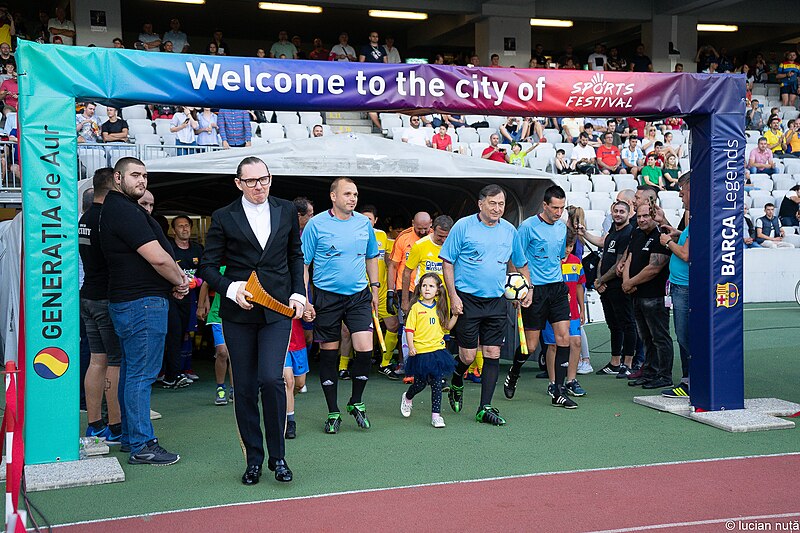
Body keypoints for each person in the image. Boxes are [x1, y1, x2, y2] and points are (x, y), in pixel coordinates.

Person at [198, 156, 304, 484]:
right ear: (238, 183)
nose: (259, 187)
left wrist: (299, 293)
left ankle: (279, 458)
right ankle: (253, 459)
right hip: (238, 313)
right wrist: (230, 288)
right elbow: (208, 267)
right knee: (244, 388)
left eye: (265, 179)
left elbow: (294, 256)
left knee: (272, 380)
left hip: (276, 311)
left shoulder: (286, 209)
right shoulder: (223, 216)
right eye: (252, 181)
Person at [100, 157, 188, 465]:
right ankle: (142, 444)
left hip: (132, 302)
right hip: (142, 303)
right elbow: (159, 259)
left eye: (145, 176)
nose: (142, 180)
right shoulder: (123, 210)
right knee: (140, 375)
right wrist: (181, 281)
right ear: (118, 178)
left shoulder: (120, 209)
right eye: (135, 174)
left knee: (132, 372)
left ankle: (130, 438)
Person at [441, 184, 526, 425]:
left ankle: (484, 407)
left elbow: (519, 263)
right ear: (481, 204)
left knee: (492, 352)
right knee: (467, 356)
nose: (497, 208)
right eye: (492, 203)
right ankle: (457, 378)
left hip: (496, 301)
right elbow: (448, 261)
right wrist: (453, 295)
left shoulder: (510, 231)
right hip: (467, 299)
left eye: (501, 204)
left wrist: (525, 288)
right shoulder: (463, 226)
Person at [302, 177, 380, 434]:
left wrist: (375, 288)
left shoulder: (362, 223)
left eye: (355, 194)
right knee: (329, 351)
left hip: (358, 295)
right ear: (333, 196)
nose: (353, 198)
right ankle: (333, 410)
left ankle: (356, 402)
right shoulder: (316, 224)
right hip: (326, 296)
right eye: (347, 193)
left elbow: (371, 257)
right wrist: (305, 298)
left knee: (364, 348)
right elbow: (303, 263)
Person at [504, 185, 577, 408]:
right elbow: (514, 259)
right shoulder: (527, 227)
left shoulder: (562, 227)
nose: (558, 212)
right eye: (554, 207)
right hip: (534, 290)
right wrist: (519, 288)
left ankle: (559, 391)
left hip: (557, 288)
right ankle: (514, 372)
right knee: (532, 346)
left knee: (564, 338)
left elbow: (557, 259)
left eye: (562, 208)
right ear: (544, 205)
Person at [79, 168, 122, 445]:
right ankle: (117, 427)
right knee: (115, 362)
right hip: (106, 299)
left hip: (88, 297)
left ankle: (94, 424)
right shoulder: (107, 216)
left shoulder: (84, 219)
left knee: (97, 360)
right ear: (115, 183)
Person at [582, 200, 636, 378]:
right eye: (616, 211)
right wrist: (599, 279)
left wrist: (601, 280)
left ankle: (627, 363)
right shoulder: (613, 231)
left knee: (627, 323)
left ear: (628, 214)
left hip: (618, 286)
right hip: (605, 287)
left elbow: (620, 263)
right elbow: (603, 255)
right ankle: (615, 362)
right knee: (614, 325)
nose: (618, 214)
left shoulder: (628, 233)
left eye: (622, 211)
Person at [623, 203, 674, 390]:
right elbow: (629, 257)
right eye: (639, 216)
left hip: (655, 296)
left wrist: (630, 283)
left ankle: (664, 375)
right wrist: (626, 282)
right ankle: (650, 372)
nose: (642, 219)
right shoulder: (636, 232)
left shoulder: (661, 236)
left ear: (654, 216)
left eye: (646, 216)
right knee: (645, 337)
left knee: (659, 337)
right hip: (637, 295)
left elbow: (654, 268)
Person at [401, 273, 458, 428]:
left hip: (438, 351)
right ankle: (407, 397)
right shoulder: (416, 308)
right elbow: (409, 329)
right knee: (420, 384)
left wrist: (456, 315)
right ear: (420, 288)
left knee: (437, 384)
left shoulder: (440, 308)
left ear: (437, 291)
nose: (427, 289)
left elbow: (447, 327)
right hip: (420, 353)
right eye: (424, 285)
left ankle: (436, 416)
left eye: (431, 286)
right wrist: (411, 347)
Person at [539, 232, 587, 397]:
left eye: (570, 246)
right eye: (564, 246)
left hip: (572, 311)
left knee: (576, 343)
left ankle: (571, 380)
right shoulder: (549, 262)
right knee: (553, 345)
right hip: (552, 311)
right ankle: (553, 382)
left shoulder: (576, 262)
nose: (567, 250)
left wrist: (582, 308)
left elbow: (580, 285)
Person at [660, 172, 691, 398]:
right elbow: (689, 241)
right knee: (683, 336)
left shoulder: (699, 217)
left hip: (685, 288)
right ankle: (688, 380)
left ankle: (690, 382)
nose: (680, 193)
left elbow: (686, 253)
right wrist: (678, 233)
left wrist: (669, 242)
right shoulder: (697, 218)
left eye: (683, 189)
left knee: (684, 336)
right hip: (681, 286)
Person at [163, 215, 203, 388]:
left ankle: (181, 370)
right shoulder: (169, 249)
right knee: (173, 334)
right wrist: (174, 287)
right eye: (180, 226)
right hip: (172, 298)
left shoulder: (198, 249)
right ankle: (171, 374)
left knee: (185, 334)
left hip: (191, 298)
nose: (184, 229)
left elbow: (206, 272)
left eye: (187, 225)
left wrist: (197, 283)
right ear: (173, 230)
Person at [283, 317, 308, 439]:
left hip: (298, 342)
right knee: (289, 382)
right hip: (281, 341)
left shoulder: (301, 296)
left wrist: (308, 313)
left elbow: (308, 309)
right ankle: (290, 422)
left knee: (299, 384)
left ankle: (284, 403)